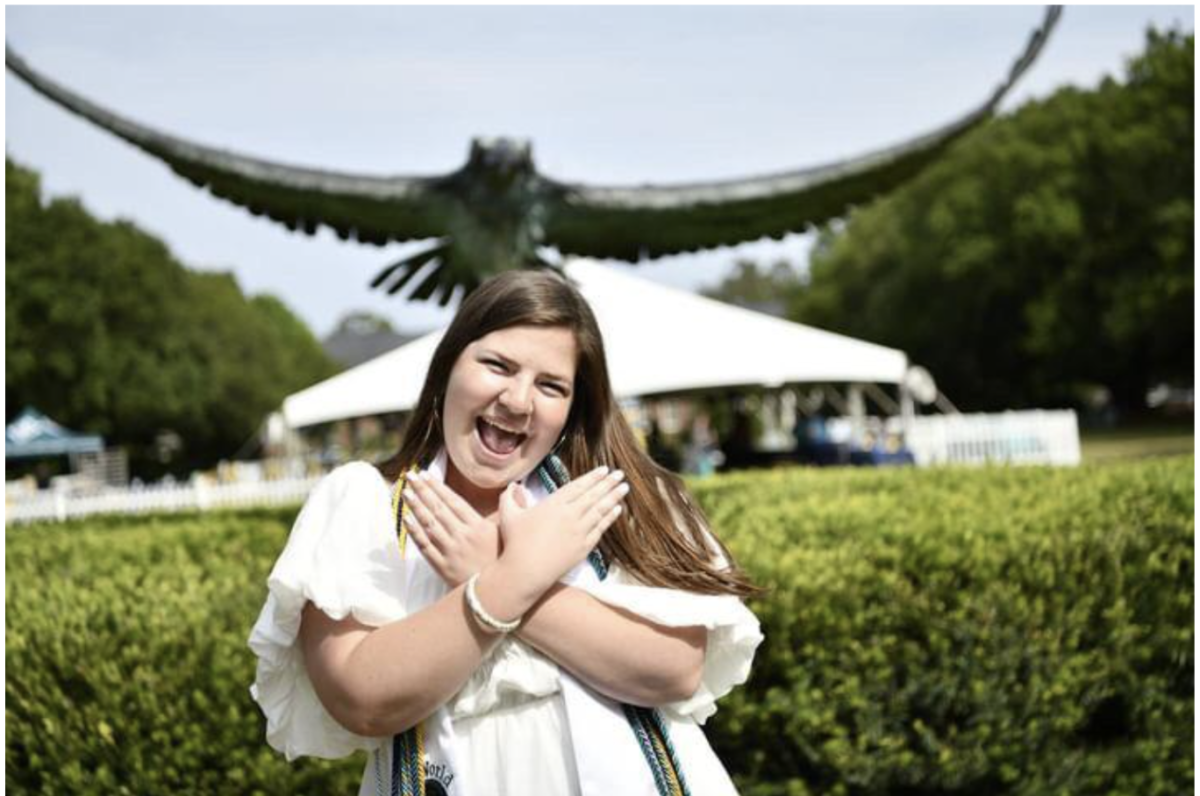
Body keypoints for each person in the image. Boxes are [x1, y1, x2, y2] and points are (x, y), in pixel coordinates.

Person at [248, 270, 764, 796]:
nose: (518, 401)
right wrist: (508, 579)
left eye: (551, 385)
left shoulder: (620, 499)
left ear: (573, 406)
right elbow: (361, 697)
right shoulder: (364, 503)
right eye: (498, 365)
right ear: (448, 366)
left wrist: (490, 573)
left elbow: (674, 668)